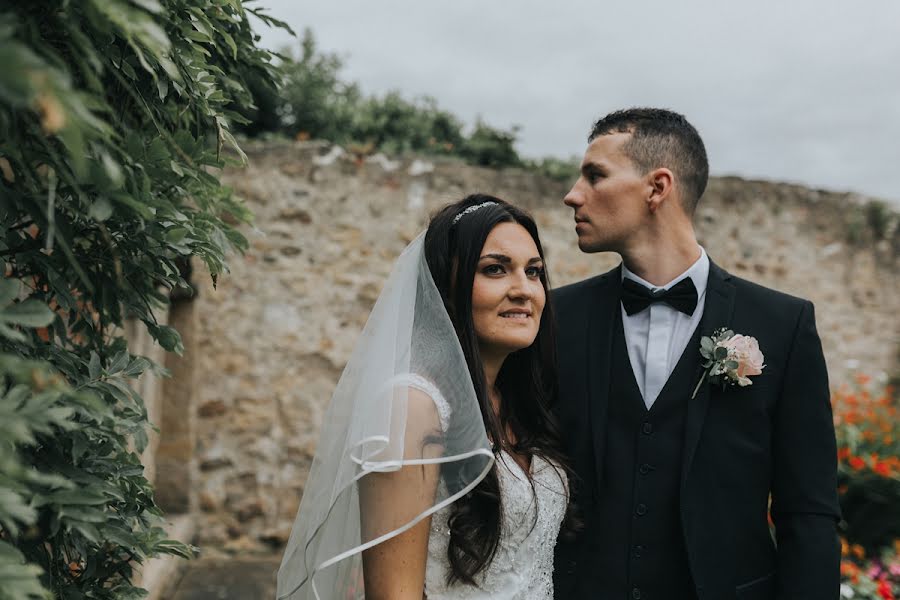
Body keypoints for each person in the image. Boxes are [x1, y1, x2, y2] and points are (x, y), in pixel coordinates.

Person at [552, 108, 841, 599]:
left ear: (657, 187)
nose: (572, 195)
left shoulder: (782, 324)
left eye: (595, 175)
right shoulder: (556, 319)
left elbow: (808, 510)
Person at [276, 195, 573, 600]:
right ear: (446, 289)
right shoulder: (413, 407)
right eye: (495, 270)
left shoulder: (519, 404)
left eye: (534, 272)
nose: (523, 289)